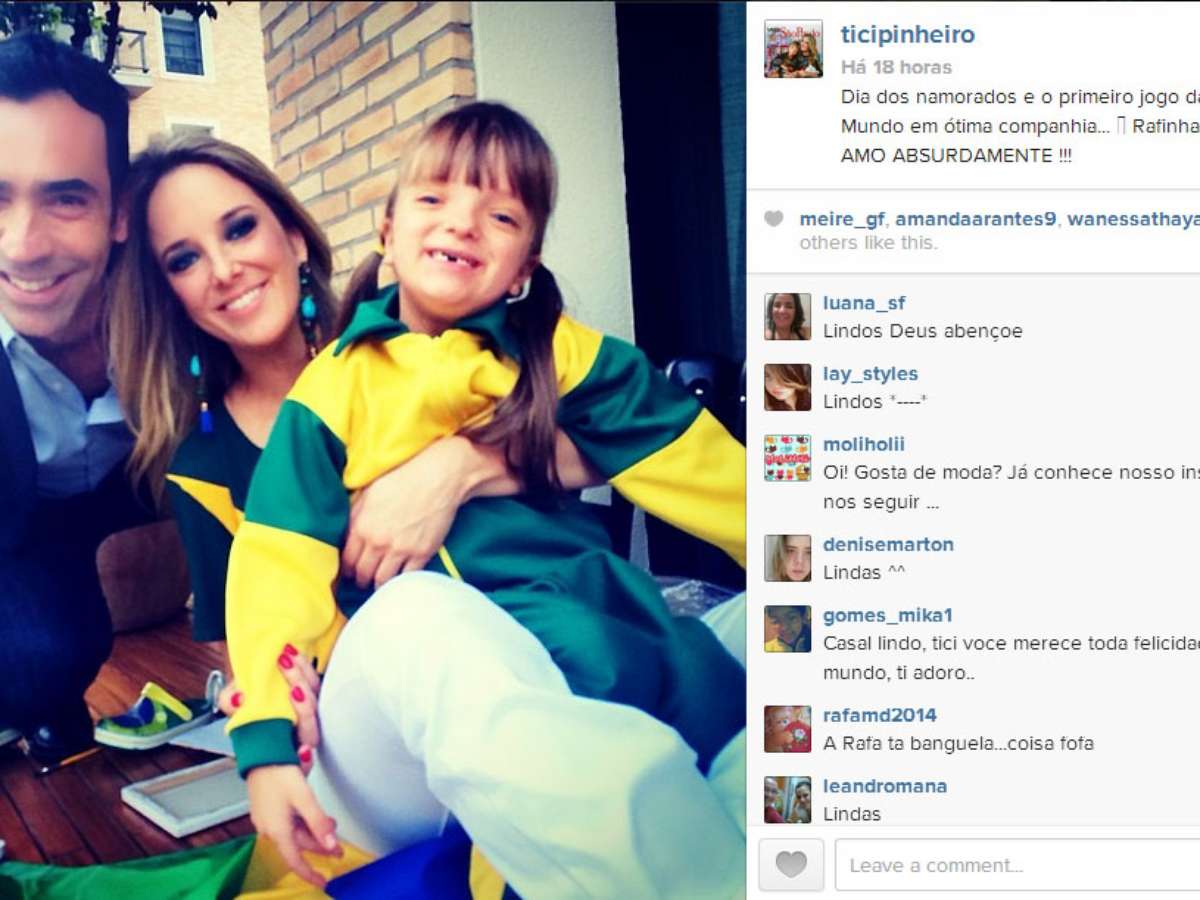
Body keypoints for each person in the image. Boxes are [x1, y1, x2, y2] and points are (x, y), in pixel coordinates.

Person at [110, 131, 746, 897]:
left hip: (553, 645)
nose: (223, 268)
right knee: (414, 613)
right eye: (183, 258)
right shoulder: (228, 447)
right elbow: (263, 610)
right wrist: (273, 718)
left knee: (754, 635)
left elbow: (646, 446)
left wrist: (458, 467)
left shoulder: (450, 333)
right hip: (368, 728)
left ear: (292, 234)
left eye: (239, 228)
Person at [0, 32, 162, 768]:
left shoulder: (183, 289)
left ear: (119, 213)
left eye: (65, 198)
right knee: (39, 655)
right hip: (23, 521)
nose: (23, 246)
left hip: (148, 488)